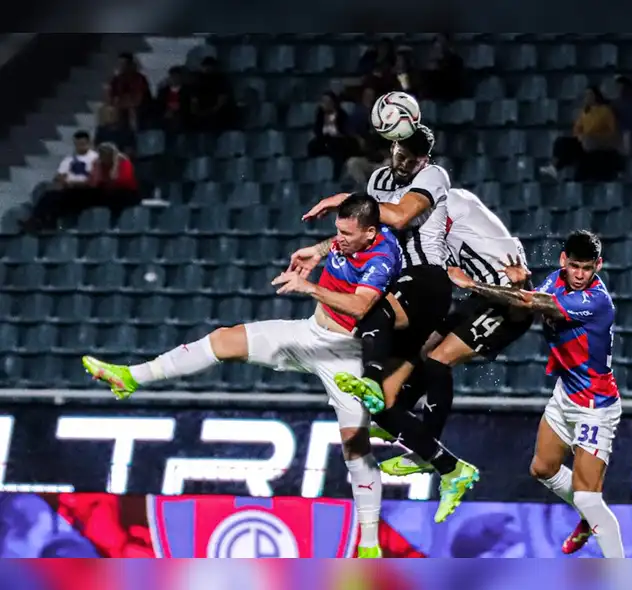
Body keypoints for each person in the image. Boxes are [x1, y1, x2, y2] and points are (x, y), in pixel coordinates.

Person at [81, 193, 403, 558]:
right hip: (309, 333)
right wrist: (319, 249)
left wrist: (310, 286)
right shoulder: (354, 236)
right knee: (223, 339)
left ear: (371, 232)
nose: (339, 238)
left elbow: (361, 305)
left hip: (347, 355)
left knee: (355, 447)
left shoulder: (382, 256)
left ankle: (370, 545)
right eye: (337, 231)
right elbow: (340, 241)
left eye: (347, 233)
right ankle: (131, 377)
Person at [303, 125, 481, 524]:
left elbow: (398, 217)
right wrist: (319, 250)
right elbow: (366, 231)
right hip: (396, 278)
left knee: (370, 308)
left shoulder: (433, 177)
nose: (401, 163)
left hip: (426, 279)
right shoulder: (379, 178)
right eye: (398, 153)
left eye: (411, 158)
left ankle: (370, 374)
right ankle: (452, 468)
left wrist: (344, 199)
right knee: (380, 405)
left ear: (424, 160)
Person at [447, 230, 625, 558]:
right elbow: (523, 308)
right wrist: (517, 286)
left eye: (587, 268)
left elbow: (531, 302)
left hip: (594, 405)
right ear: (563, 261)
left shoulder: (595, 300)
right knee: (542, 469)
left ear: (598, 266)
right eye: (575, 266)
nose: (580, 275)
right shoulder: (555, 281)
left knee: (588, 497)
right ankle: (590, 514)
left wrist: (472, 285)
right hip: (565, 394)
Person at [368, 187, 535, 477]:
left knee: (438, 359)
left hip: (506, 306)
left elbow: (521, 304)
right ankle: (398, 417)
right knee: (422, 346)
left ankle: (426, 451)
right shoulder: (450, 209)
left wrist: (472, 285)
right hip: (481, 298)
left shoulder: (481, 240)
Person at [540, 86, 622, 182]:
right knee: (561, 142)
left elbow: (614, 132)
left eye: (589, 94)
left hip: (599, 144)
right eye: (586, 95)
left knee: (585, 161)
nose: (587, 97)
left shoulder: (605, 111)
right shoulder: (585, 112)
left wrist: (597, 139)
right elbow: (577, 129)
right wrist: (581, 137)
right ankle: (554, 167)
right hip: (584, 142)